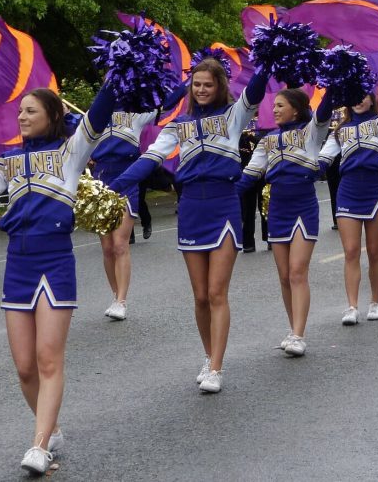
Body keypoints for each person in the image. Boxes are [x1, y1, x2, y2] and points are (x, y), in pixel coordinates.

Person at [0, 83, 115, 475]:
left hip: (55, 260)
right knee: (25, 367)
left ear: (51, 115)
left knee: (48, 358)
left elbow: (99, 114)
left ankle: (39, 444)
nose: (23, 117)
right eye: (21, 112)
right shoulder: (7, 160)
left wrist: (119, 73)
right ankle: (52, 428)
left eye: (31, 111)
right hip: (19, 264)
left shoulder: (71, 151)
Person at [110, 58, 267, 394]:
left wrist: (265, 62)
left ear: (220, 86)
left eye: (208, 84)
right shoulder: (177, 125)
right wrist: (114, 187)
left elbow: (254, 92)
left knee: (216, 292)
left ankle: (216, 366)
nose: (201, 90)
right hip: (192, 207)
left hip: (224, 204)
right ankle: (208, 354)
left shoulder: (233, 115)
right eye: (196, 85)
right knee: (199, 296)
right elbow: (149, 159)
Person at [237, 88, 332, 357]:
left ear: (297, 109)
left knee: (297, 272)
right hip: (277, 209)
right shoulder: (266, 140)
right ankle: (292, 330)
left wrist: (335, 83)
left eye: (280, 105)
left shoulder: (311, 133)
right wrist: (222, 199)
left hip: (304, 207)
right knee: (284, 277)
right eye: (274, 105)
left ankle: (299, 335)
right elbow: (249, 176)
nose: (275, 110)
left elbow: (324, 111)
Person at [91, 86, 184, 321]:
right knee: (107, 246)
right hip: (100, 178)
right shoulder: (95, 113)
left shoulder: (137, 112)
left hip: (127, 174)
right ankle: (114, 295)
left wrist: (189, 80)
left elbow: (167, 102)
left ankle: (121, 300)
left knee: (120, 243)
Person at [318, 84, 378, 325]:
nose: (358, 100)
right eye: (353, 96)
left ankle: (375, 302)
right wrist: (301, 171)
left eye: (363, 96)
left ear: (372, 98)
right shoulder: (339, 130)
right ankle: (351, 306)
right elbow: (322, 160)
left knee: (375, 251)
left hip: (376, 188)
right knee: (350, 252)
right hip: (348, 190)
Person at [238, 122, 268, 252]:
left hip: (263, 172)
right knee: (247, 209)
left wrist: (252, 137)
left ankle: (269, 238)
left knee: (265, 206)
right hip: (245, 172)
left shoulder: (266, 121)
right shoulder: (241, 120)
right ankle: (247, 242)